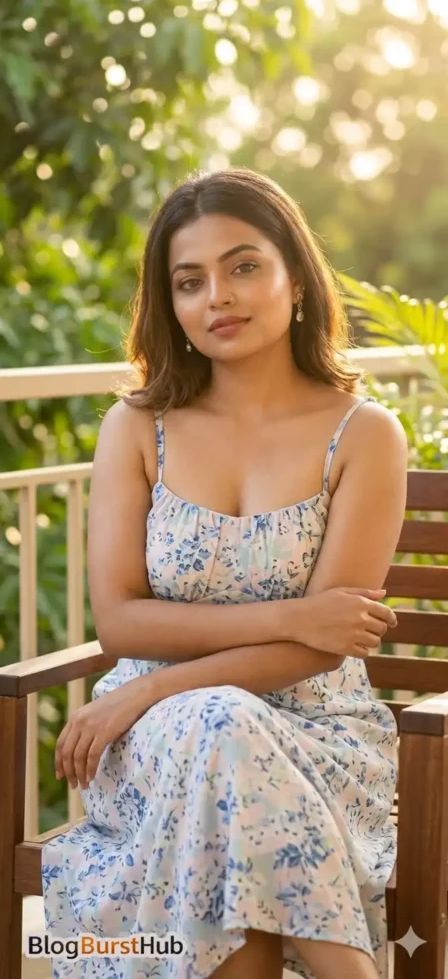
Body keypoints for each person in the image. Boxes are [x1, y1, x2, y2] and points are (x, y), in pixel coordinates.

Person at [41, 167, 408, 979]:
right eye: (189, 281)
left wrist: (145, 686)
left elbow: (326, 646)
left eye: (244, 267)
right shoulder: (137, 427)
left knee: (224, 747)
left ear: (295, 278)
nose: (219, 297)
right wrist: (285, 618)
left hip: (316, 736)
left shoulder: (365, 434)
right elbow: (124, 623)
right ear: (168, 303)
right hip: (156, 744)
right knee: (215, 731)